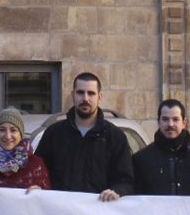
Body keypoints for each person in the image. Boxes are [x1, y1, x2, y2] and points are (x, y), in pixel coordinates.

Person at [35, 72, 134, 201]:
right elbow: (38, 172)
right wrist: (36, 187)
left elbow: (126, 181)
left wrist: (117, 191)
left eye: (91, 93)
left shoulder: (115, 137)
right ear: (73, 95)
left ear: (99, 97)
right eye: (80, 92)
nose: (85, 98)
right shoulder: (54, 134)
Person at [132, 99, 190, 196]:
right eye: (165, 119)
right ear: (158, 122)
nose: (170, 124)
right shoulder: (140, 160)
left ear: (184, 123)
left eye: (175, 119)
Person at [0, 106, 51, 192]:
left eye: (13, 130)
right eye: (2, 130)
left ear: (20, 134)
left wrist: (40, 193)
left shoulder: (36, 165)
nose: (7, 136)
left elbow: (47, 201)